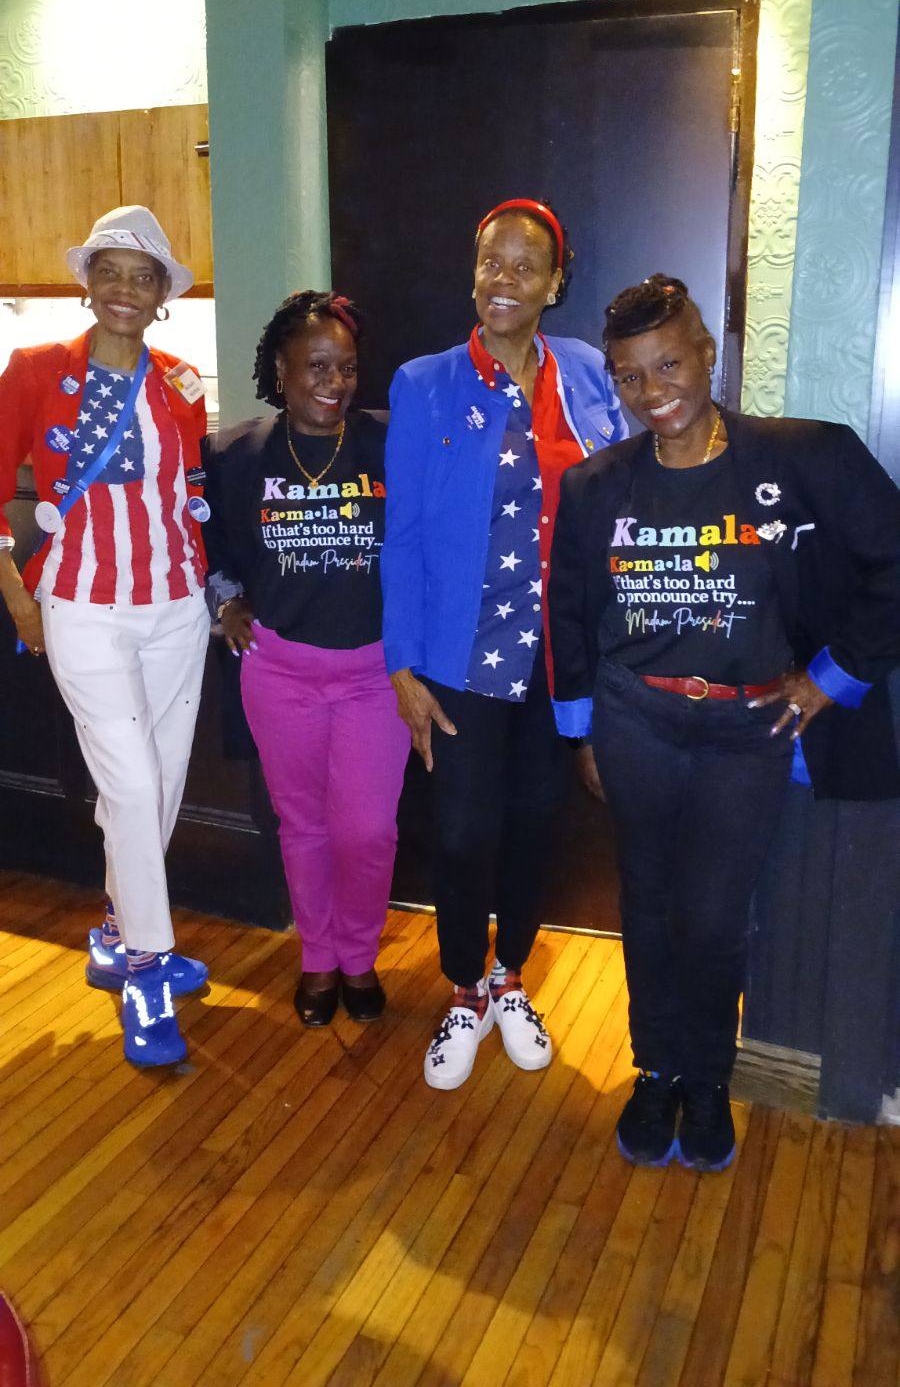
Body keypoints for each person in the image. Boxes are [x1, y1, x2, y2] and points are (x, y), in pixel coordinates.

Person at [549, 273, 900, 1170]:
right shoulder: (595, 485)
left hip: (749, 732)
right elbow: (572, 610)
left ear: (707, 354)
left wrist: (832, 677)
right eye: (630, 375)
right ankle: (655, 1069)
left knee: (712, 915)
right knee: (646, 900)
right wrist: (582, 728)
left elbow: (891, 562)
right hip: (636, 721)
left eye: (669, 363)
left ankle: (706, 1076)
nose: (652, 389)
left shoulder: (805, 457)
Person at [382, 198, 628, 1090]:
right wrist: (401, 664)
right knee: (461, 832)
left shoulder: (590, 372)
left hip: (560, 656)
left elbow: (628, 492)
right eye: (492, 261)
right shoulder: (425, 383)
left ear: (555, 283)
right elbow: (403, 536)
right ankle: (462, 987)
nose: (505, 280)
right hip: (463, 655)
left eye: (527, 266)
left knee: (534, 822)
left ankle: (510, 975)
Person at [0, 206, 211, 1068]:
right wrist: (15, 593)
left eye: (142, 274)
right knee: (129, 778)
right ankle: (147, 969)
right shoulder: (35, 368)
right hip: (82, 605)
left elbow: (189, 495)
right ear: (87, 283)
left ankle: (120, 927)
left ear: (163, 294)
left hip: (177, 607)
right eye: (109, 270)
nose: (125, 288)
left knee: (157, 786)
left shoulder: (181, 382)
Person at [201, 290, 410, 1028]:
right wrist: (226, 602)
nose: (335, 381)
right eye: (316, 366)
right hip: (280, 670)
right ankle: (320, 956)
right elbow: (212, 547)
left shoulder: (390, 442)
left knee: (367, 830)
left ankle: (360, 950)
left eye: (346, 367)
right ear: (281, 372)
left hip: (374, 675)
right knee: (302, 824)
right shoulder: (235, 454)